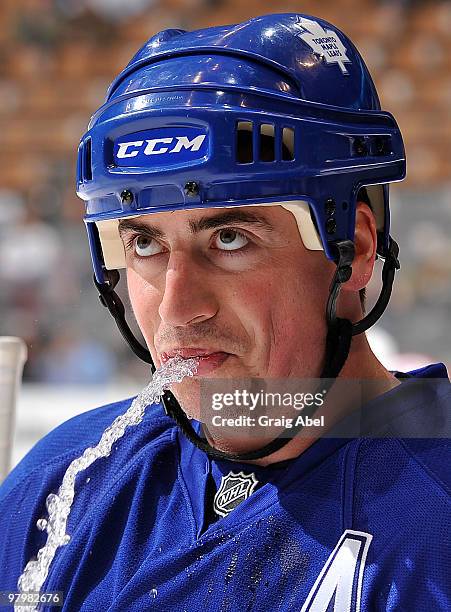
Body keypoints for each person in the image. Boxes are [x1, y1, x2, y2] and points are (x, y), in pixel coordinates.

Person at [0, 13, 449, 611]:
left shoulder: (436, 522)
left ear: (355, 250)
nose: (179, 309)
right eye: (145, 244)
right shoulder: (66, 480)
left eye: (230, 238)